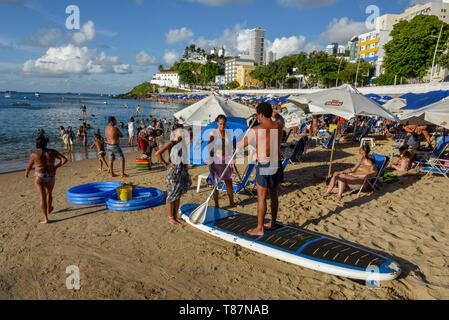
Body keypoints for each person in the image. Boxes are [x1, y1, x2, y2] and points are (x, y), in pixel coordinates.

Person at [237, 102, 284, 236]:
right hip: (276, 163)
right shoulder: (279, 126)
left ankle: (260, 228)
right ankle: (273, 222)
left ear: (261, 114)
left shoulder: (255, 130)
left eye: (258, 114)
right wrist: (275, 113)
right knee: (274, 195)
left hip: (264, 165)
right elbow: (280, 118)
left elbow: (241, 145)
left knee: (262, 198)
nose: (257, 117)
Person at [25, 135, 68, 224]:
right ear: (46, 143)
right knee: (49, 193)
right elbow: (64, 160)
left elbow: (29, 165)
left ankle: (45, 218)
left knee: (42, 197)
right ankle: (49, 208)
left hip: (39, 176)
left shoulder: (34, 154)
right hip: (50, 176)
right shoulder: (52, 152)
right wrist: (56, 167)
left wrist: (27, 172)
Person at [156, 124, 192, 226]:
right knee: (171, 195)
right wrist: (166, 164)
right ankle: (171, 217)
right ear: (175, 132)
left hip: (182, 171)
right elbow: (157, 153)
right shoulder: (172, 142)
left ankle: (175, 216)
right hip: (173, 172)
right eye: (180, 131)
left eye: (182, 131)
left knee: (177, 194)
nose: (182, 133)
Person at [207, 115, 242, 209]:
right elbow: (209, 150)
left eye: (224, 124)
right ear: (217, 123)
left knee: (229, 182)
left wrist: (233, 150)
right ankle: (217, 205)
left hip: (226, 159)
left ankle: (232, 202)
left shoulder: (227, 133)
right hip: (216, 160)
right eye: (220, 124)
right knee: (215, 184)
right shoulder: (213, 133)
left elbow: (229, 146)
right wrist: (211, 164)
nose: (222, 126)